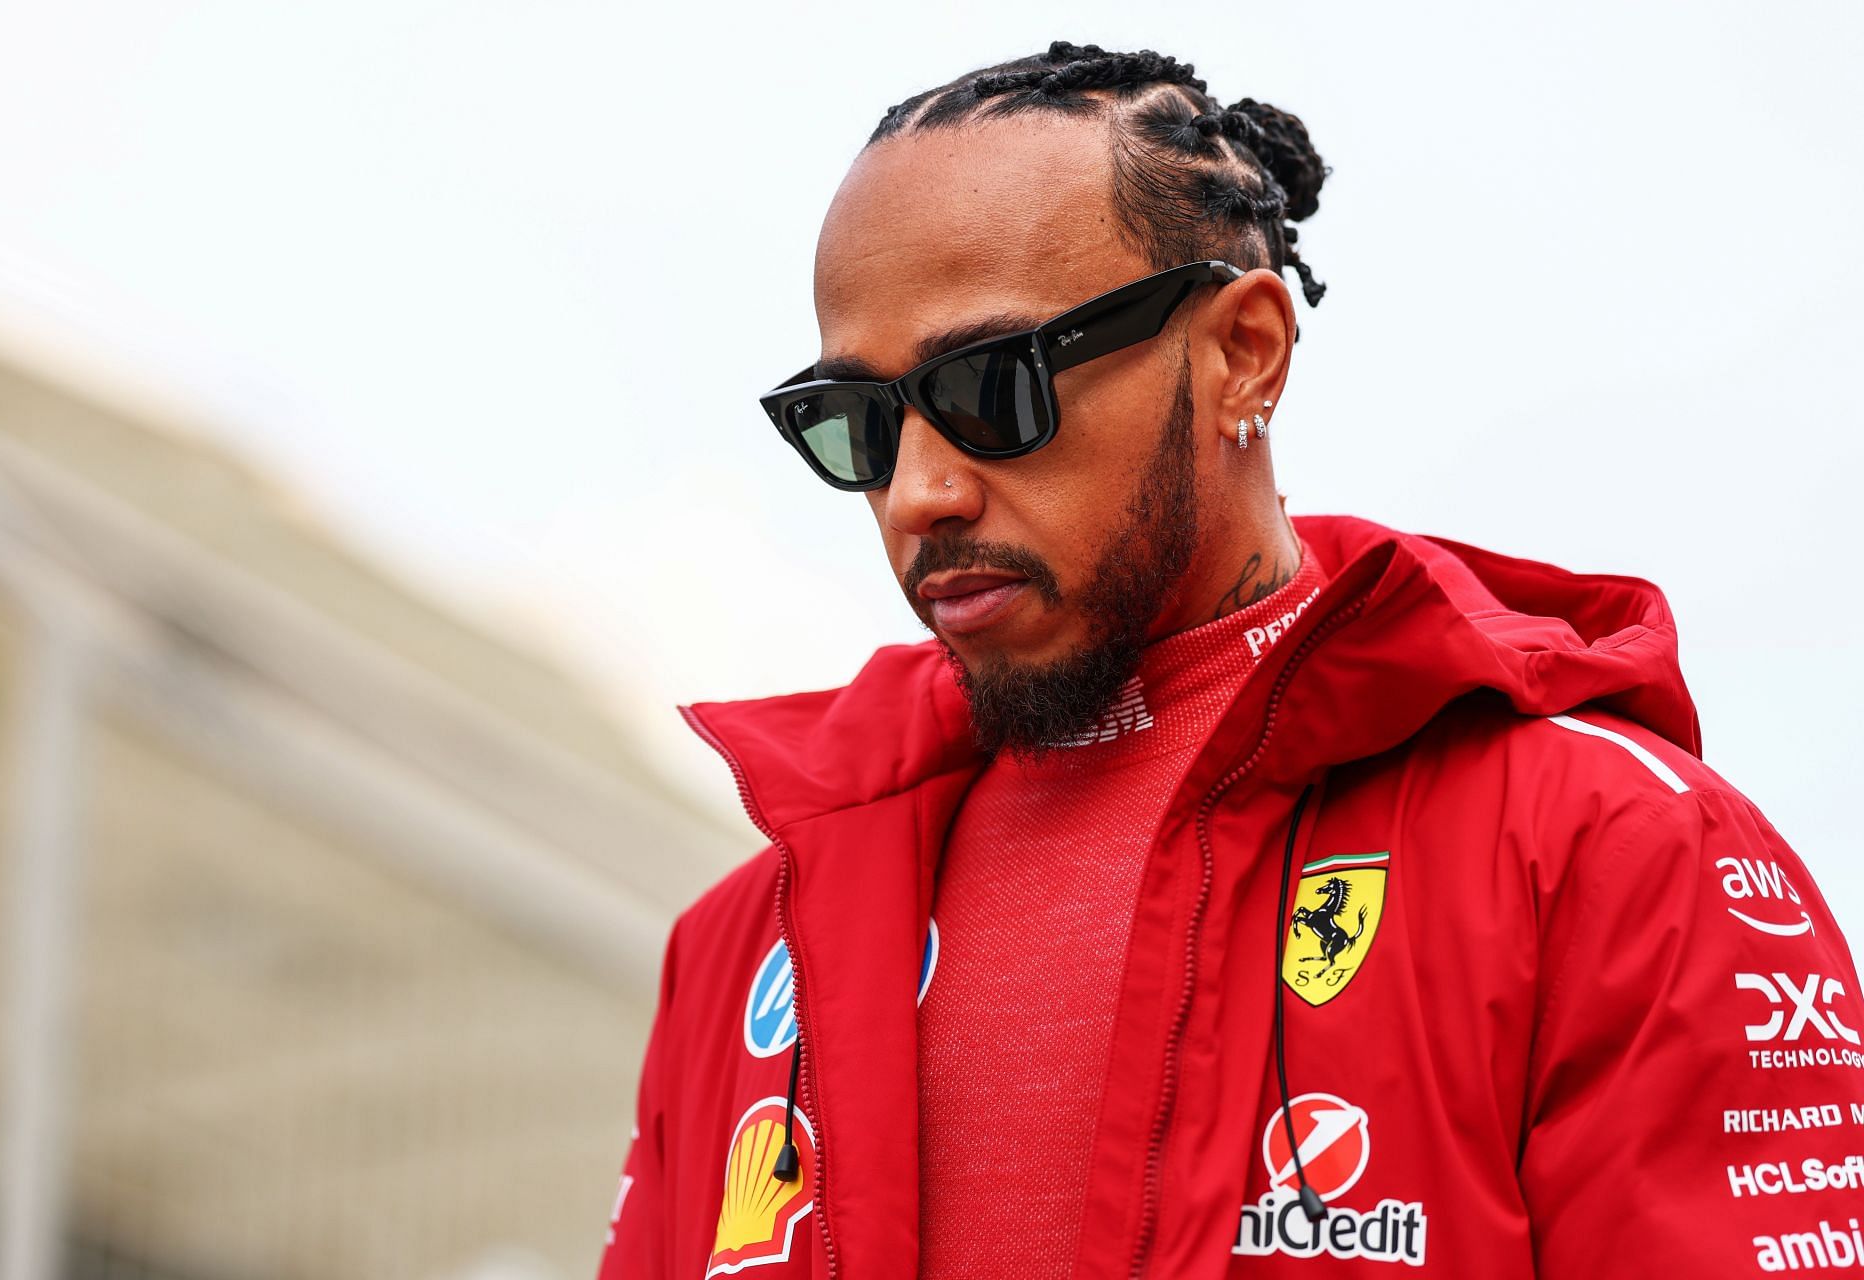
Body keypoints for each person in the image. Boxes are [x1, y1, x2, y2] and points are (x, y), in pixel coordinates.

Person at [597, 40, 1864, 1279]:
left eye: (993, 388)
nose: (918, 490)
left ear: (1242, 351)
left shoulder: (1609, 847)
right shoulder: (739, 948)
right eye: (857, 424)